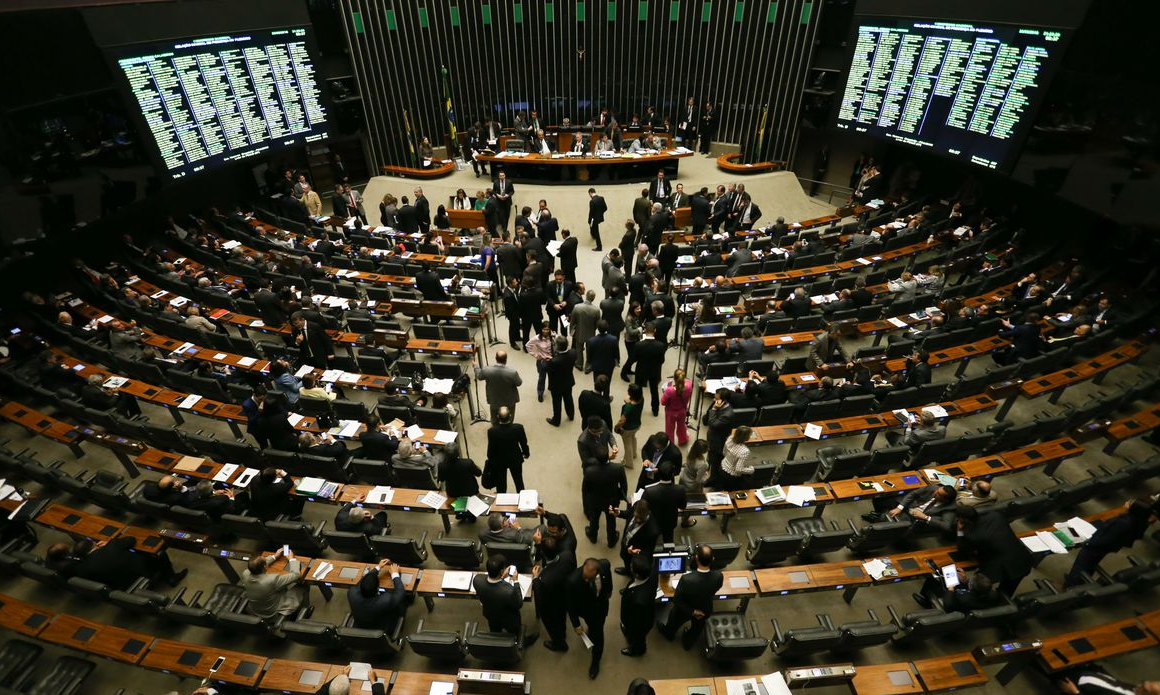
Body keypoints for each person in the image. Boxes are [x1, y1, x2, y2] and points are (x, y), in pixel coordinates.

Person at [1063, 497, 1156, 587]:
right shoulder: (1141, 521)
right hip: (1110, 547)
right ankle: (1078, 581)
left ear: (1135, 509)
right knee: (1091, 564)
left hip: (1096, 547)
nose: (1128, 501)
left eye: (1131, 502)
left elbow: (1105, 539)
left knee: (1081, 565)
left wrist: (1089, 543)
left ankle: (1071, 585)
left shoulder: (1123, 523)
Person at [956, 505, 1033, 596]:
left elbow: (963, 549)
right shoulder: (995, 515)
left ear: (962, 519)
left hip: (1004, 566)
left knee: (979, 585)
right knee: (1008, 591)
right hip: (1023, 558)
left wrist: (959, 530)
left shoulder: (972, 534)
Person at [660, 544, 723, 649]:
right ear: (713, 559)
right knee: (696, 630)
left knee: (672, 624)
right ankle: (687, 644)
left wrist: (692, 611)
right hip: (704, 609)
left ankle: (669, 635)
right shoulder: (719, 576)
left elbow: (677, 600)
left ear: (696, 558)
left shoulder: (686, 579)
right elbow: (717, 588)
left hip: (684, 610)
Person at [472, 554, 535, 644]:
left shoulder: (477, 580)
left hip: (490, 614)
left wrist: (501, 577)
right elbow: (518, 604)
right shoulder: (508, 591)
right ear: (502, 570)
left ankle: (497, 644)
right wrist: (515, 580)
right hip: (508, 619)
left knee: (495, 631)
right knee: (516, 633)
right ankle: (522, 641)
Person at [567, 557, 613, 679]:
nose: (586, 580)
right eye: (585, 577)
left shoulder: (604, 565)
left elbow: (608, 578)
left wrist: (609, 591)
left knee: (598, 635)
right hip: (586, 611)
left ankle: (596, 661)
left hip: (601, 608)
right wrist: (576, 624)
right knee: (593, 628)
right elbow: (570, 605)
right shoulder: (573, 581)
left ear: (597, 572)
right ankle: (591, 631)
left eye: (589, 578)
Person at [242, 548, 310, 619]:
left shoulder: (245, 573)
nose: (266, 559)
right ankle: (305, 611)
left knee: (281, 586)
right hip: (273, 612)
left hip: (257, 608)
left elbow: (257, 564)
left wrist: (275, 556)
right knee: (303, 585)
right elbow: (296, 575)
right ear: (265, 566)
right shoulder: (271, 580)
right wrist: (291, 559)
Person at [582, 444, 627, 547]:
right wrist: (620, 497)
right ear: (608, 455)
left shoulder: (589, 472)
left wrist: (589, 500)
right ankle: (611, 540)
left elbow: (585, 489)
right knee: (611, 519)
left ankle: (592, 536)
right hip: (612, 499)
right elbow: (624, 485)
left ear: (596, 458)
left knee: (594, 518)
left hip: (595, 500)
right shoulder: (618, 468)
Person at [866, 484, 958, 534]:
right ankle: (878, 516)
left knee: (890, 519)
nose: (934, 492)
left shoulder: (950, 507)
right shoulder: (933, 487)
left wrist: (926, 517)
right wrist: (900, 508)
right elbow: (913, 494)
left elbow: (946, 526)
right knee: (879, 498)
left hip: (913, 518)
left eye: (938, 494)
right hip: (908, 506)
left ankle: (876, 520)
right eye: (937, 490)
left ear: (945, 499)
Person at [348, 559, 407, 629]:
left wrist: (378, 567)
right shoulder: (385, 601)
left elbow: (363, 582)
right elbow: (400, 592)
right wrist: (395, 574)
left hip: (360, 626)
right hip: (380, 629)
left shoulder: (351, 593)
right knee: (402, 601)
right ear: (377, 589)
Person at [486, 406, 530, 493]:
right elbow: (523, 443)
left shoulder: (492, 431)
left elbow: (491, 448)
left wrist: (491, 459)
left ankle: (502, 503)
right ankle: (522, 500)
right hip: (515, 459)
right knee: (518, 481)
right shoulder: (518, 428)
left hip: (500, 461)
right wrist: (526, 453)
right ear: (510, 416)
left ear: (498, 417)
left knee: (501, 484)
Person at [619, 555, 657, 657]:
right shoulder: (652, 573)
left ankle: (637, 650)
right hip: (641, 615)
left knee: (637, 638)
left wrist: (626, 625)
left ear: (637, 574)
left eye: (631, 567)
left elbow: (636, 620)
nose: (630, 566)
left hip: (639, 625)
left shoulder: (640, 600)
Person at [642, 464, 689, 541]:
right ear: (673, 474)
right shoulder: (680, 489)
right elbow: (683, 506)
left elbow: (644, 508)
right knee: (669, 540)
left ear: (658, 473)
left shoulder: (649, 491)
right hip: (670, 522)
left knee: (652, 541)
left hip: (653, 521)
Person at [613, 499, 660, 575]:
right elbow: (629, 513)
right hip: (626, 543)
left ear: (648, 513)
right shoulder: (636, 505)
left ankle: (632, 575)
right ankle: (627, 570)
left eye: (640, 518)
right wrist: (619, 513)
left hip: (635, 555)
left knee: (633, 568)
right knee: (625, 558)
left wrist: (637, 552)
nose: (637, 520)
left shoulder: (653, 531)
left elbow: (648, 551)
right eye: (636, 516)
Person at [474, 351, 522, 422]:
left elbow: (479, 377)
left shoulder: (487, 370)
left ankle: (495, 428)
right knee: (510, 418)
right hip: (509, 401)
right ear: (506, 359)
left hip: (494, 399)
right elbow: (519, 383)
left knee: (494, 417)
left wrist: (476, 367)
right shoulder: (512, 372)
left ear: (496, 358)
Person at [634, 322, 667, 416]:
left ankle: (637, 409)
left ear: (645, 331)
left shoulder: (638, 345)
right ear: (655, 331)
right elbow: (662, 360)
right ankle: (655, 410)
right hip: (654, 371)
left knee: (637, 390)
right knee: (654, 391)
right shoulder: (660, 345)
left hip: (641, 370)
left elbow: (635, 358)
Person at [702, 388, 735, 484]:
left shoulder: (728, 415)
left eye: (716, 398)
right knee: (710, 456)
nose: (713, 400)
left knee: (715, 461)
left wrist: (714, 409)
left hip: (718, 442)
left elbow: (712, 424)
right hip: (712, 438)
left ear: (723, 401)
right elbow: (705, 419)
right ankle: (708, 467)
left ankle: (713, 479)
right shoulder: (718, 404)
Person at [545, 336, 577, 426]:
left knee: (557, 402)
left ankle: (556, 420)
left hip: (556, 385)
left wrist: (547, 361)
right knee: (568, 398)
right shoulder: (573, 353)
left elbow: (547, 369)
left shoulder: (554, 361)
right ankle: (571, 415)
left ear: (557, 347)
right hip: (568, 381)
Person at [570, 290, 600, 371]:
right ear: (593, 298)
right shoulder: (596, 310)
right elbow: (598, 324)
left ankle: (579, 364)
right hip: (591, 333)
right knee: (589, 350)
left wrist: (571, 331)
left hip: (579, 332)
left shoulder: (577, 307)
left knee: (579, 349)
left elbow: (573, 321)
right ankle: (588, 366)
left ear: (586, 296)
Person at [616, 384, 645, 469]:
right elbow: (628, 399)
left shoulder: (628, 407)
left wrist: (616, 427)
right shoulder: (641, 399)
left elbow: (622, 420)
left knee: (627, 444)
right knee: (633, 437)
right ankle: (634, 453)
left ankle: (628, 462)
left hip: (627, 428)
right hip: (637, 425)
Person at [586, 321, 620, 392]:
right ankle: (606, 398)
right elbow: (616, 353)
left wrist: (589, 363)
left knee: (597, 382)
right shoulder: (614, 339)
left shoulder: (591, 340)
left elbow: (589, 355)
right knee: (607, 382)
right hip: (609, 365)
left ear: (597, 328)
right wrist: (617, 361)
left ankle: (597, 397)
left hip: (596, 366)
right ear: (607, 328)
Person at [661, 368, 692, 446]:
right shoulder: (689, 385)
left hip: (671, 413)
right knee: (682, 426)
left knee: (669, 429)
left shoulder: (669, 390)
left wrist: (664, 392)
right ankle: (683, 439)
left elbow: (663, 402)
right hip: (682, 411)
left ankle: (670, 444)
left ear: (674, 378)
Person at [719, 426, 754, 490]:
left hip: (722, 467)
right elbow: (738, 469)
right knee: (732, 492)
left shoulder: (730, 438)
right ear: (746, 437)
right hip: (731, 476)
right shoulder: (745, 451)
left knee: (724, 488)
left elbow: (724, 452)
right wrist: (750, 470)